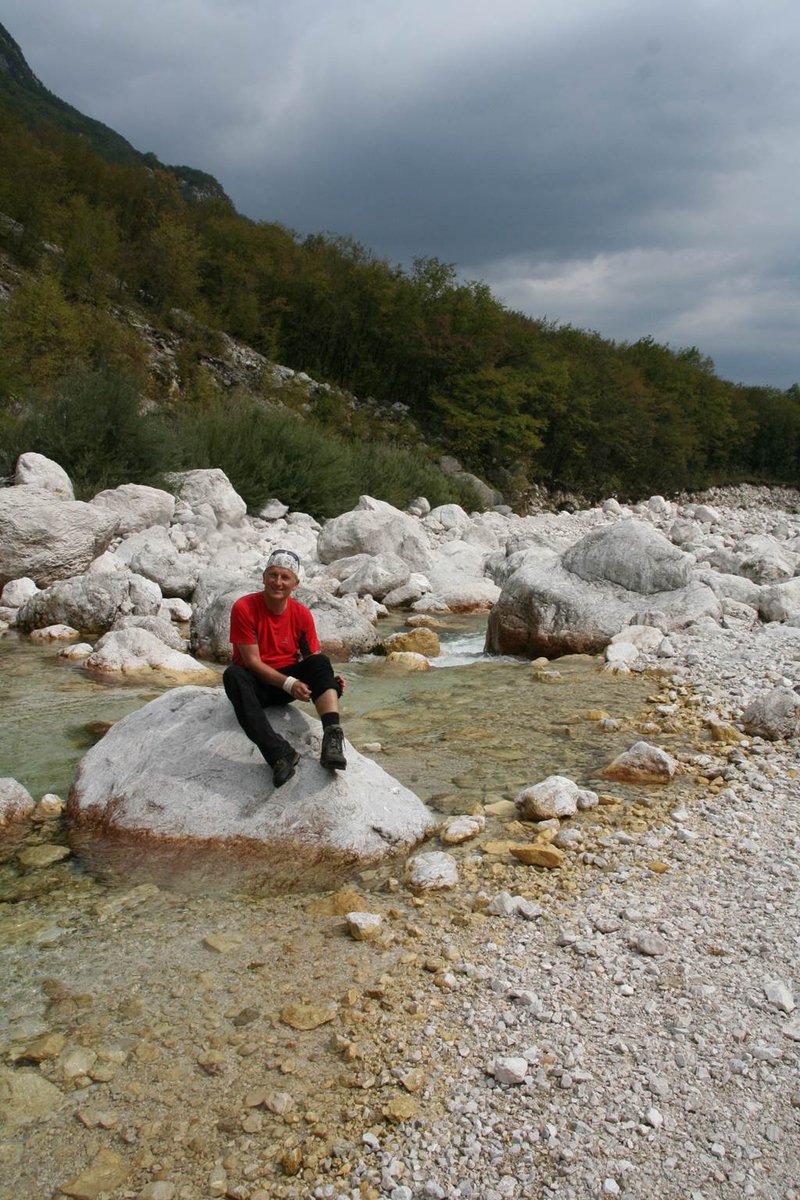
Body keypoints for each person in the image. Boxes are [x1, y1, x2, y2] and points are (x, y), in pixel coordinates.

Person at [222, 549, 346, 788]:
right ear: (264, 578)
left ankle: (332, 739)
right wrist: (291, 684)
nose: (278, 582)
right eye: (273, 575)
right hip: (256, 685)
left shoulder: (301, 615)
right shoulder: (244, 608)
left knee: (322, 664)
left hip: (287, 681)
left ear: (295, 584)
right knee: (233, 675)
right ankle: (279, 755)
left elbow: (312, 660)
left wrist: (328, 683)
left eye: (284, 577)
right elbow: (252, 662)